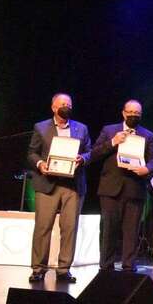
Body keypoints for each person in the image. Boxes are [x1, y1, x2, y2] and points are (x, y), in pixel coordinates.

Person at [26, 93, 91, 283]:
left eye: (69, 104)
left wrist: (83, 158)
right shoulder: (41, 127)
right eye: (62, 104)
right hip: (48, 184)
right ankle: (38, 268)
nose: (66, 107)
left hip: (72, 185)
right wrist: (40, 164)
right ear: (54, 108)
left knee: (69, 228)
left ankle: (64, 269)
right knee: (43, 227)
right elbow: (32, 152)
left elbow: (89, 151)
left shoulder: (81, 128)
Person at [91, 99, 153, 272]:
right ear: (123, 113)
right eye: (131, 113)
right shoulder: (109, 130)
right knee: (109, 230)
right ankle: (106, 266)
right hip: (110, 189)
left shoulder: (148, 135)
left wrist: (146, 169)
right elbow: (94, 153)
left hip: (135, 188)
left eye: (137, 114)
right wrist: (113, 142)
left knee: (131, 231)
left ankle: (129, 266)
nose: (134, 116)